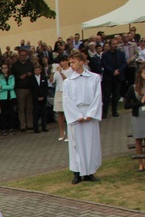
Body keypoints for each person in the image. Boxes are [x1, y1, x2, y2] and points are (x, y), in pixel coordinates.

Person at [64, 51, 103, 184]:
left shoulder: (94, 78)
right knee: (76, 145)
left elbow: (98, 96)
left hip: (90, 113)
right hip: (76, 114)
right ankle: (77, 172)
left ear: (81, 62)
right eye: (70, 63)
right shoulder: (68, 81)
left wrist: (91, 114)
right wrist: (77, 115)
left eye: (73, 62)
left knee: (90, 143)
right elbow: (67, 100)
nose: (71, 65)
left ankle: (90, 172)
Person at [100, 39, 127, 118]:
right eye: (113, 44)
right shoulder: (105, 54)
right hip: (108, 77)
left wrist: (119, 71)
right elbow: (104, 64)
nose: (115, 45)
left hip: (118, 77)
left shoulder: (121, 54)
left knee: (116, 95)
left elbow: (124, 63)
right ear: (110, 45)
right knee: (107, 96)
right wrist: (112, 71)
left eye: (116, 44)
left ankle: (114, 111)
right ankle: (104, 112)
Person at [12, 49, 35, 131]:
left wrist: (31, 74)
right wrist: (19, 77)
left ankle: (30, 124)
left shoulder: (30, 64)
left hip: (29, 88)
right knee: (21, 108)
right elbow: (12, 76)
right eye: (21, 55)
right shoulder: (15, 65)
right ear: (19, 55)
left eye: (24, 55)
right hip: (20, 88)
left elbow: (34, 73)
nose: (23, 57)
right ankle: (23, 125)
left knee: (29, 108)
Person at [51, 55, 72, 141]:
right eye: (61, 61)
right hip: (58, 92)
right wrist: (53, 72)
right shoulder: (57, 71)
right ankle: (62, 132)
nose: (62, 63)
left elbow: (67, 80)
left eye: (64, 61)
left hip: (67, 92)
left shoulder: (71, 70)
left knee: (67, 114)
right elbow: (51, 81)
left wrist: (61, 73)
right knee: (60, 113)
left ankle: (69, 133)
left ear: (67, 61)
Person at [29, 64, 49, 133]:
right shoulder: (31, 79)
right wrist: (37, 97)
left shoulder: (44, 78)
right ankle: (36, 128)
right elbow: (31, 90)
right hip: (35, 99)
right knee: (36, 113)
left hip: (43, 98)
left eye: (38, 70)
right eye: (35, 70)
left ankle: (44, 127)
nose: (37, 71)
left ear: (40, 71)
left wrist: (43, 96)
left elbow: (46, 88)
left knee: (44, 113)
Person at [0, 64, 16, 135]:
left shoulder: (12, 77)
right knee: (3, 114)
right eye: (3, 68)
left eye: (6, 68)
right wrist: (5, 87)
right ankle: (4, 128)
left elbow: (12, 86)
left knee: (11, 113)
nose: (4, 69)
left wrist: (2, 87)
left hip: (11, 97)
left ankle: (12, 128)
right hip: (3, 98)